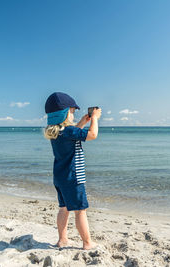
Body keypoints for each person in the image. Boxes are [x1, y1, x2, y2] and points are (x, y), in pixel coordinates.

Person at [43, 92, 102, 250]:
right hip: (73, 177)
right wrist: (94, 118)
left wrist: (83, 121)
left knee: (64, 208)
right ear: (64, 113)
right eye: (72, 112)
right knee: (80, 210)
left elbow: (72, 136)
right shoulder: (69, 131)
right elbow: (92, 135)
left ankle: (62, 239)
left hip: (60, 178)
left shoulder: (56, 132)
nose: (73, 115)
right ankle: (88, 242)